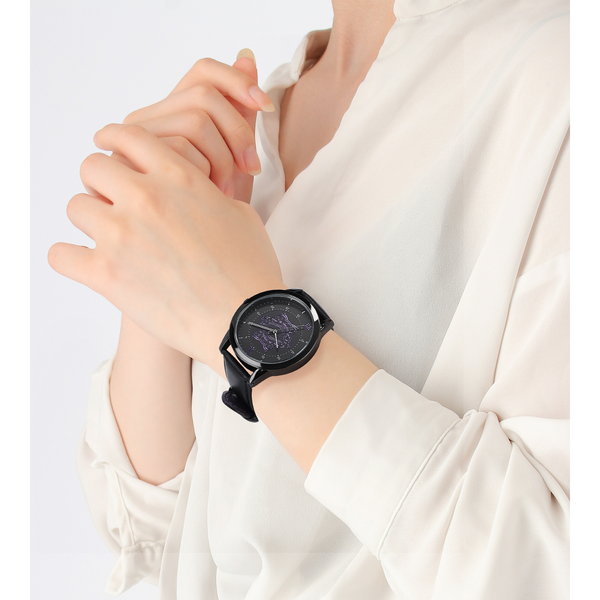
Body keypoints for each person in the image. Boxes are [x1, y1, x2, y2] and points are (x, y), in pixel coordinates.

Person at [48, 0, 569, 597]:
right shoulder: (257, 114)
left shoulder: (560, 84)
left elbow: (550, 565)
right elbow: (155, 532)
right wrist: (162, 256)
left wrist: (248, 315)